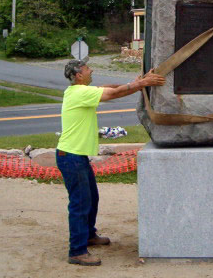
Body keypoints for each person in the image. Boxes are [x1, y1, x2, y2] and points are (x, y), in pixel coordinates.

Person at [56, 57, 165, 266]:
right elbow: (114, 93)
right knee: (80, 203)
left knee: (91, 198)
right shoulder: (80, 93)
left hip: (75, 156)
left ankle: (88, 235)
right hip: (70, 156)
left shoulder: (79, 90)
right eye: (88, 68)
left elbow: (110, 87)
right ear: (78, 75)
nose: (91, 70)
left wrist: (137, 82)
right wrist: (141, 84)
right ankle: (77, 251)